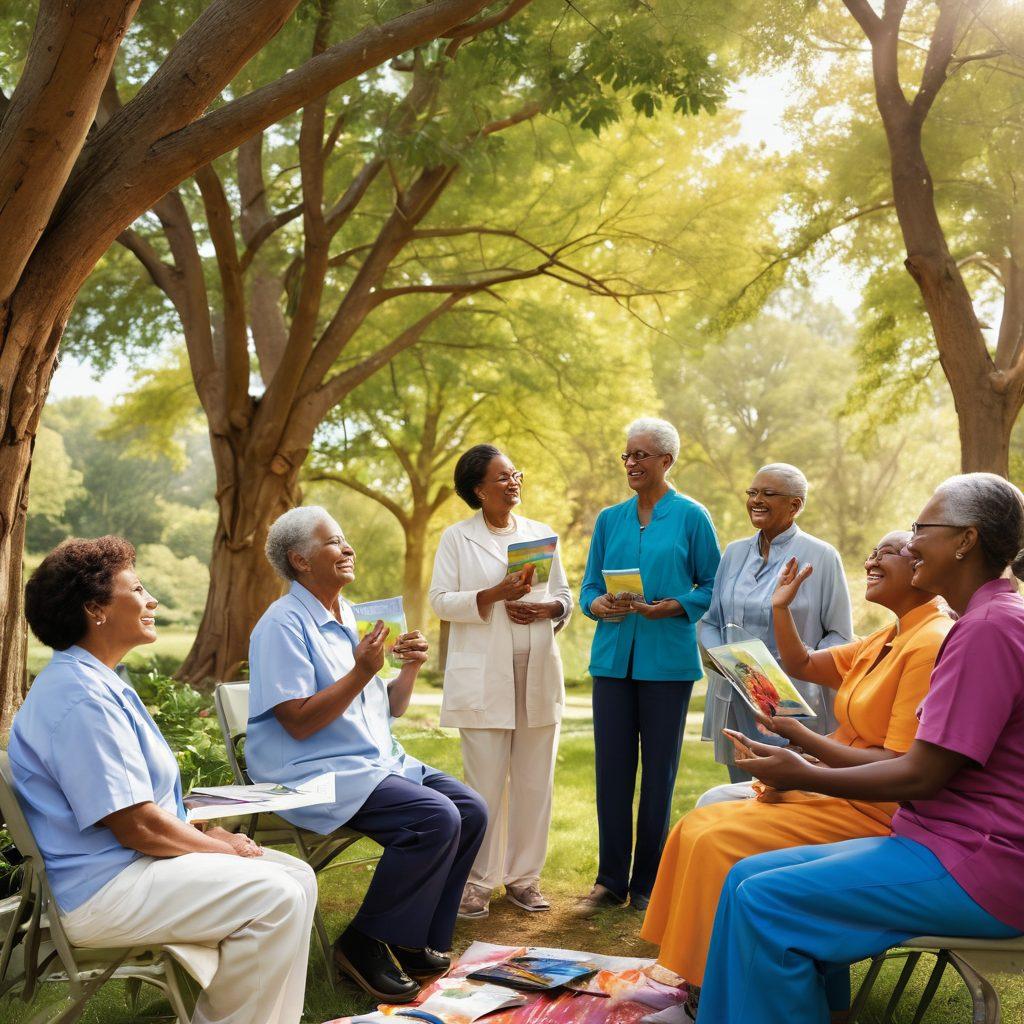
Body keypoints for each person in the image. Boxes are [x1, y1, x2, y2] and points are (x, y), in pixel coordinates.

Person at [696, 473, 1024, 1024]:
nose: (911, 541)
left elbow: (919, 775)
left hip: (978, 862)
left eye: (922, 528)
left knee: (766, 900)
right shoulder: (982, 621)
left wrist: (802, 772)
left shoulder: (987, 628)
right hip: (933, 841)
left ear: (966, 540)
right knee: (743, 878)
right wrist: (802, 752)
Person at [7, 537, 317, 1024]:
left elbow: (148, 810)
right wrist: (223, 849)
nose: (152, 600)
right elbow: (138, 828)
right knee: (274, 895)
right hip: (106, 888)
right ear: (96, 610)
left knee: (297, 875)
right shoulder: (80, 698)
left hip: (134, 866)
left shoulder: (99, 681)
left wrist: (205, 835)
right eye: (138, 588)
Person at [640, 530, 952, 1013]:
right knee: (701, 823)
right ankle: (700, 982)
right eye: (872, 550)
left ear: (920, 567)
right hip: (837, 785)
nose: (871, 559)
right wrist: (780, 608)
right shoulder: (890, 635)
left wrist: (801, 747)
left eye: (887, 552)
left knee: (718, 840)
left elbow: (897, 764)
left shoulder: (928, 643)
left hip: (873, 805)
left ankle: (708, 996)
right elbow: (802, 663)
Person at [246, 506, 486, 1004]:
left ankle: (412, 940)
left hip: (373, 760)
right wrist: (360, 672)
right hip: (309, 770)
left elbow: (385, 708)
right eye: (334, 541)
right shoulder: (282, 624)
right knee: (433, 817)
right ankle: (363, 942)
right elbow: (298, 720)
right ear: (301, 560)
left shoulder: (347, 615)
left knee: (470, 810)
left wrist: (408, 670)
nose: (348, 548)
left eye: (345, 538)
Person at [575, 417, 721, 917]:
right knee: (612, 772)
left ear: (666, 461)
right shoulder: (609, 519)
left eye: (642, 455)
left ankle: (647, 884)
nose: (632, 463)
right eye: (627, 455)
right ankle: (610, 880)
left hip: (666, 664)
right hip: (613, 662)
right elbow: (588, 587)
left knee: (658, 775)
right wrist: (596, 607)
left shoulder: (692, 517)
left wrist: (674, 605)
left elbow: (711, 584)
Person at [429, 445, 572, 920]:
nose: (513, 484)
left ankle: (524, 880)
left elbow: (565, 598)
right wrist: (495, 594)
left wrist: (548, 608)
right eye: (502, 478)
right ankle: (477, 883)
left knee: (535, 783)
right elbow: (441, 601)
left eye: (516, 475)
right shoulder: (456, 538)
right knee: (484, 784)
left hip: (536, 668)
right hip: (483, 676)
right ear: (477, 489)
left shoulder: (540, 534)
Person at [700, 463, 853, 797]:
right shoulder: (734, 552)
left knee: (789, 797)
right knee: (740, 792)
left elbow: (840, 634)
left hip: (796, 702)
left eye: (768, 494)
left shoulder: (822, 556)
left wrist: (800, 668)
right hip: (737, 694)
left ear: (795, 506)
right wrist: (727, 663)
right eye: (752, 492)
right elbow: (711, 621)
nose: (757, 500)